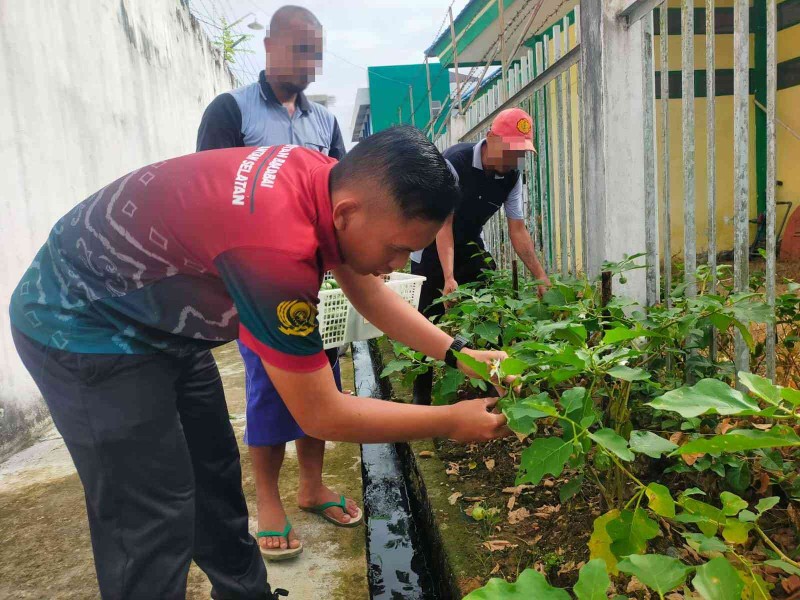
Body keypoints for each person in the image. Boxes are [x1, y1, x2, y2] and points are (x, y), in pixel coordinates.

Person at [9, 126, 510, 600]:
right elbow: (322, 413)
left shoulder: (324, 178)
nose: (398, 265)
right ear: (348, 213)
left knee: (214, 478)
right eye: (398, 250)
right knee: (149, 515)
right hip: (79, 324)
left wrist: (458, 353)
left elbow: (367, 289)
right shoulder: (275, 252)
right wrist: (448, 421)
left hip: (161, 325)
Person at [196, 5, 355, 561]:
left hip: (316, 282)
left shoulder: (324, 123)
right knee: (268, 386)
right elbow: (211, 198)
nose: (309, 63)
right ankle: (268, 498)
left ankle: (312, 485)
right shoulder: (230, 110)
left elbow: (340, 204)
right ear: (269, 45)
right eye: (298, 49)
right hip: (257, 283)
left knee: (323, 380)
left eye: (316, 52)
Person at [411, 107, 550, 405]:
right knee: (425, 319)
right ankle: (420, 396)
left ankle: (494, 388)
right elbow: (443, 226)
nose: (514, 159)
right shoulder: (454, 163)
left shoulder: (512, 177)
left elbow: (518, 229)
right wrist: (448, 278)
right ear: (491, 139)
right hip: (433, 245)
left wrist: (540, 275)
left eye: (520, 153)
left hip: (470, 243)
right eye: (511, 151)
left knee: (489, 310)